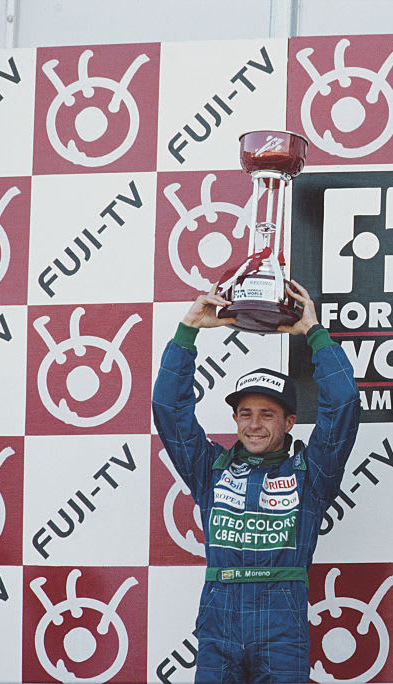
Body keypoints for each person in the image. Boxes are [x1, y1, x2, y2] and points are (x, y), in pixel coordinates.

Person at [152, 280, 360, 683]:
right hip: (218, 625)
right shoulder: (210, 468)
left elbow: (344, 402)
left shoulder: (312, 472)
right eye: (245, 413)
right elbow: (168, 407)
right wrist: (187, 330)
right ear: (235, 419)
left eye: (267, 414)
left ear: (289, 422)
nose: (254, 424)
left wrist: (315, 334)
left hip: (282, 630)